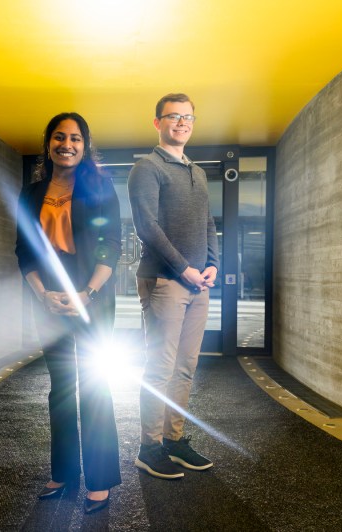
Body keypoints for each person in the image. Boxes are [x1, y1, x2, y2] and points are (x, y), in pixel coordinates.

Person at [15, 112, 122, 513]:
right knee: (60, 389)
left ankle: (100, 480)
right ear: (48, 144)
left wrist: (88, 293)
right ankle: (64, 473)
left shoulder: (99, 186)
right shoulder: (31, 193)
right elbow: (24, 251)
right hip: (49, 302)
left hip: (91, 298)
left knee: (94, 387)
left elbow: (111, 244)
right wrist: (43, 295)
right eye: (60, 137)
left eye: (76, 138)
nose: (68, 144)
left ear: (85, 144)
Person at [127, 93, 219, 479]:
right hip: (166, 280)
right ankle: (149, 448)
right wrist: (184, 269)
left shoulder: (197, 172)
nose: (181, 123)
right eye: (173, 116)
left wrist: (213, 264)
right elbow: (147, 227)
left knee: (186, 367)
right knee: (160, 368)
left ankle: (174, 440)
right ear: (157, 122)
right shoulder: (147, 168)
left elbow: (208, 222)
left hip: (199, 284)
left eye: (188, 117)